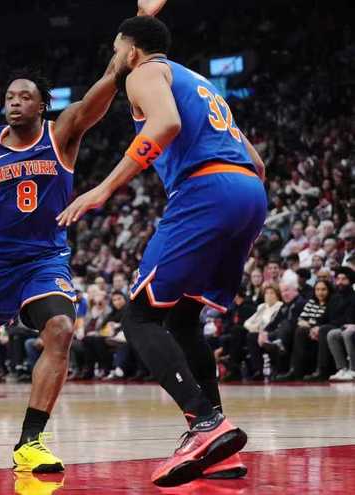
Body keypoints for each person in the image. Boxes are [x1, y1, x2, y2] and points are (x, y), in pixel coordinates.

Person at [0, 1, 168, 473]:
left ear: (42, 105)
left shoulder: (62, 134)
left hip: (45, 260)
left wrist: (139, 31)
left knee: (62, 330)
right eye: (9, 96)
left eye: (24, 96)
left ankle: (31, 441)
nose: (14, 101)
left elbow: (110, 80)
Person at [57, 16, 267, 486]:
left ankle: (203, 422)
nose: (114, 58)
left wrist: (104, 188)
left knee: (138, 318)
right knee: (184, 319)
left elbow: (166, 123)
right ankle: (218, 448)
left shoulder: (144, 72)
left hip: (206, 191)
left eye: (116, 49)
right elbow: (257, 161)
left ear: (131, 51)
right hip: (248, 194)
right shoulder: (199, 82)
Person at [274, 280, 332, 381]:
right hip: (309, 330)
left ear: (329, 290)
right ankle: (295, 370)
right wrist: (310, 325)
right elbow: (301, 319)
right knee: (299, 330)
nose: (320, 292)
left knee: (301, 331)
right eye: (317, 290)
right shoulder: (311, 302)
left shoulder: (331, 303)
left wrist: (312, 325)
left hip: (322, 330)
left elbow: (326, 320)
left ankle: (313, 371)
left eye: (323, 290)